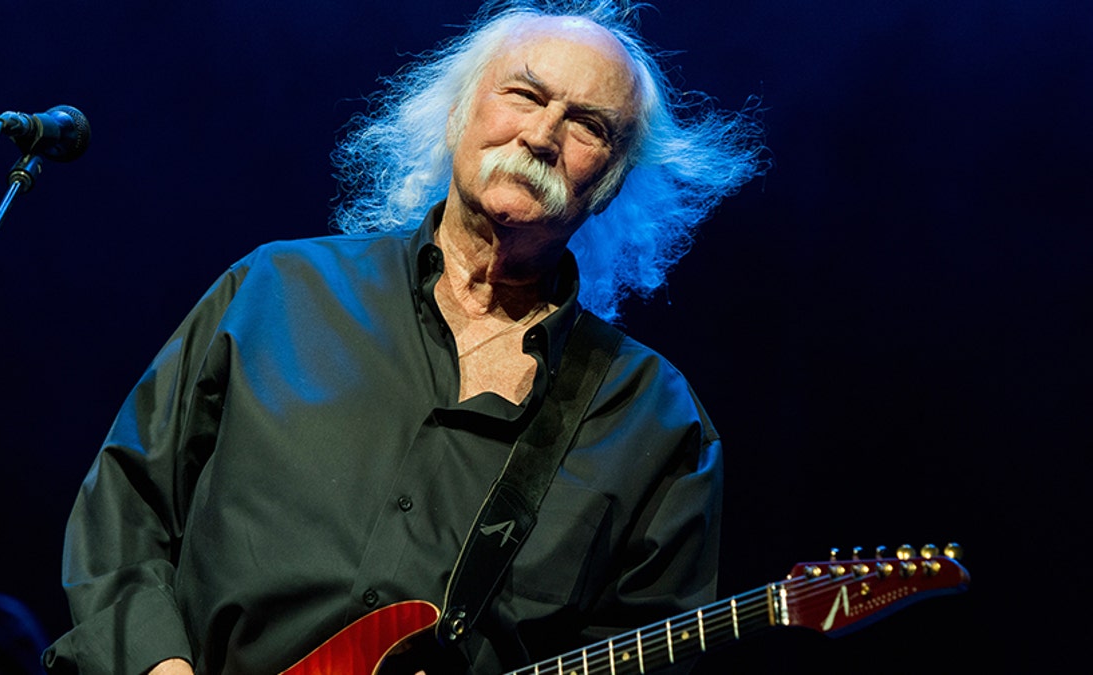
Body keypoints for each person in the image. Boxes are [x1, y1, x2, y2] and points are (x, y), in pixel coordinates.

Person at [43, 1, 764, 673]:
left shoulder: (658, 422)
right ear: (456, 113)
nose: (543, 135)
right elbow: (125, 505)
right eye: (525, 94)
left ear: (611, 180)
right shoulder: (275, 289)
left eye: (588, 125)